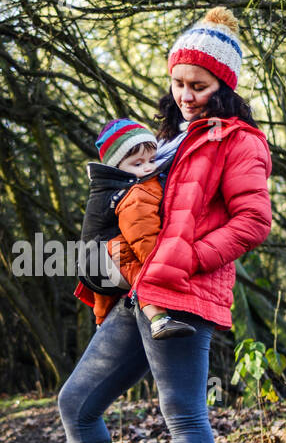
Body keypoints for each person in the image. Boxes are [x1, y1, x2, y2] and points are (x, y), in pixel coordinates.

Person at [37, 5, 272, 443]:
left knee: (185, 417)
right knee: (78, 402)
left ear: (225, 86)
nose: (186, 94)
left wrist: (186, 257)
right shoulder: (167, 142)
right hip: (140, 295)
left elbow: (253, 222)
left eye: (199, 85)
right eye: (178, 83)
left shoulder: (240, 143)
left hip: (185, 297)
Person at [77, 117, 200, 339]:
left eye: (152, 160)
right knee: (140, 270)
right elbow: (141, 234)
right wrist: (158, 265)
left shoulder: (106, 185)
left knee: (107, 297)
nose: (148, 168)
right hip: (103, 258)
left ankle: (102, 326)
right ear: (116, 167)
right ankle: (158, 318)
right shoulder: (131, 193)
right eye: (138, 163)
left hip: (91, 262)